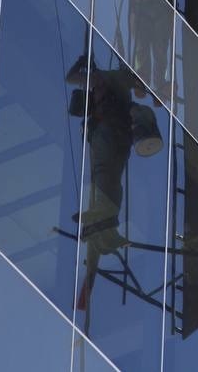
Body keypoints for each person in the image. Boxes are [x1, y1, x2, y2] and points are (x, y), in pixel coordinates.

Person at [65, 56, 162, 255]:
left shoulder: (110, 81)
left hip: (118, 137)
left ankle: (108, 227)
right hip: (108, 134)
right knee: (106, 175)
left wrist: (82, 62)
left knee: (113, 181)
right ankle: (102, 218)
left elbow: (71, 78)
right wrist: (82, 62)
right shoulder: (106, 78)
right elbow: (71, 79)